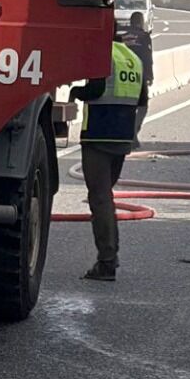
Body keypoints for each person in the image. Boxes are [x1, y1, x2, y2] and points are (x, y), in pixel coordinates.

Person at [74, 24, 147, 282]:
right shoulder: (132, 58)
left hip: (98, 135)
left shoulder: (102, 54)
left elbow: (94, 90)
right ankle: (109, 258)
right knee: (106, 196)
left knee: (100, 198)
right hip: (122, 138)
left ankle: (106, 262)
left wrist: (74, 92)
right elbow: (142, 101)